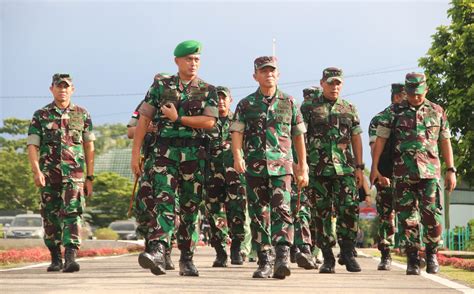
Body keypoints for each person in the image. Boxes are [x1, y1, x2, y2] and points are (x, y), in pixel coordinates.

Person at [131, 40, 218, 277]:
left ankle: (187, 258)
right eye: (188, 59)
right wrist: (135, 154)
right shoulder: (161, 86)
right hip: (164, 153)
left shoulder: (208, 89)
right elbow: (143, 120)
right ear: (177, 61)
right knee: (163, 201)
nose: (193, 63)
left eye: (196, 59)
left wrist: (179, 119)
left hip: (193, 155)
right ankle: (158, 250)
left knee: (190, 207)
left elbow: (209, 122)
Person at [230, 56, 308, 279]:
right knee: (258, 213)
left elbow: (298, 136)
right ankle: (265, 259)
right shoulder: (246, 104)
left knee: (282, 209)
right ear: (255, 76)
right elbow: (237, 132)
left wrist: (303, 167)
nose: (268, 74)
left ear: (278, 74)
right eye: (263, 71)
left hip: (282, 167)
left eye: (272, 70)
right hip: (254, 166)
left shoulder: (290, 102)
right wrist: (238, 156)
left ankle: (282, 257)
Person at [370, 73, 456, 275]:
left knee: (431, 216)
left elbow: (445, 141)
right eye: (411, 93)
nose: (415, 97)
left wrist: (451, 169)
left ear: (426, 89)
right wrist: (375, 168)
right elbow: (380, 140)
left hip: (429, 173)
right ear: (406, 91)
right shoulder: (393, 112)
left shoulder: (437, 111)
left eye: (418, 93)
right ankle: (412, 259)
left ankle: (432, 254)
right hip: (403, 173)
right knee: (407, 219)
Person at [27, 73, 95, 273]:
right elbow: (32, 145)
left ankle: (71, 256)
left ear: (72, 89)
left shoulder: (81, 114)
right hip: (49, 175)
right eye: (59, 86)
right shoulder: (41, 115)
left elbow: (89, 146)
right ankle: (55, 257)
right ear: (52, 89)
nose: (62, 90)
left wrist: (90, 177)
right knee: (50, 216)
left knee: (73, 214)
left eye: (66, 86)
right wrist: (36, 171)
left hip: (75, 175)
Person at [301, 67, 364, 274]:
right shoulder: (309, 107)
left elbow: (356, 137)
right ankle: (328, 257)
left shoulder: (349, 108)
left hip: (345, 168)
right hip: (318, 169)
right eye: (330, 83)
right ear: (322, 83)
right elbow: (300, 136)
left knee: (349, 209)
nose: (334, 87)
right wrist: (302, 165)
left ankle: (347, 251)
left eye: (338, 83)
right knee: (321, 214)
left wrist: (359, 167)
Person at [126, 91, 175, 271]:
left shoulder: (181, 103)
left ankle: (164, 251)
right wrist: (147, 127)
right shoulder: (145, 105)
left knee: (168, 207)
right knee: (146, 207)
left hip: (172, 163)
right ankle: (152, 246)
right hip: (149, 162)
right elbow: (131, 131)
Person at [204, 86, 247, 267]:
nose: (220, 101)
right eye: (217, 98)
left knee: (237, 209)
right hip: (211, 173)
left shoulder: (238, 121)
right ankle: (220, 251)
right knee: (213, 211)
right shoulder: (205, 122)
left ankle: (236, 247)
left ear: (230, 100)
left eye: (224, 98)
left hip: (235, 174)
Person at [368, 83, 406, 271]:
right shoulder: (379, 119)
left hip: (408, 175)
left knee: (409, 214)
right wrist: (379, 173)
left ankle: (412, 253)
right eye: (404, 95)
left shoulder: (410, 117)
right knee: (386, 216)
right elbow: (375, 148)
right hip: (386, 174)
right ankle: (386, 255)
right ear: (397, 97)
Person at [290, 87, 323, 270]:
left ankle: (302, 249)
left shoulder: (302, 112)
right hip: (308, 172)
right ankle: (306, 250)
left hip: (307, 171)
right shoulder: (299, 116)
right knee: (306, 212)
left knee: (300, 211)